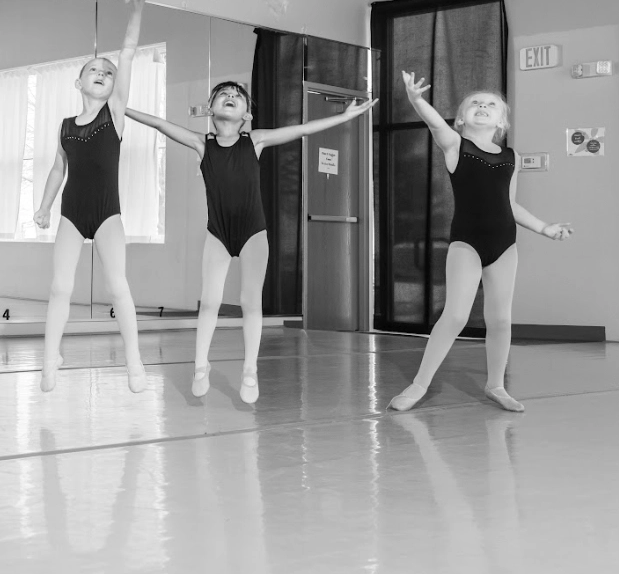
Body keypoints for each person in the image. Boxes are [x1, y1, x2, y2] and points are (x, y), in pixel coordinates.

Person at [126, 80, 374, 403]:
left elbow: (302, 129)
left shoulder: (254, 141)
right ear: (211, 110)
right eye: (224, 95)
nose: (231, 97)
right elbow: (159, 124)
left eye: (238, 97)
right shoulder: (203, 145)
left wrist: (344, 117)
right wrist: (120, 108)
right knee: (210, 300)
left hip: (253, 233)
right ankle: (201, 366)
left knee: (249, 301)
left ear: (246, 116)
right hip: (218, 233)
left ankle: (249, 370)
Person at [388, 74, 573, 413]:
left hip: (505, 244)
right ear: (460, 119)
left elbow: (510, 204)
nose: (483, 107)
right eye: (476, 103)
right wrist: (416, 101)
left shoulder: (511, 157)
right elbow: (434, 126)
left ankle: (496, 385)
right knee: (455, 315)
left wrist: (545, 228)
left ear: (502, 121)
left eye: (491, 105)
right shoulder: (457, 147)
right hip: (467, 244)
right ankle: (419, 384)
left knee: (501, 319)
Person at [33, 0, 152, 394]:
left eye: (107, 72)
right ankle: (51, 362)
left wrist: (135, 15)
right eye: (94, 70)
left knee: (118, 285)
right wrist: (44, 206)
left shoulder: (113, 114)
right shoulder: (65, 124)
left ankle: (134, 362)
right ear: (78, 81)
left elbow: (129, 55)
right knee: (59, 287)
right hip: (71, 212)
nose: (102, 73)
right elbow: (57, 168)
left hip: (106, 213)